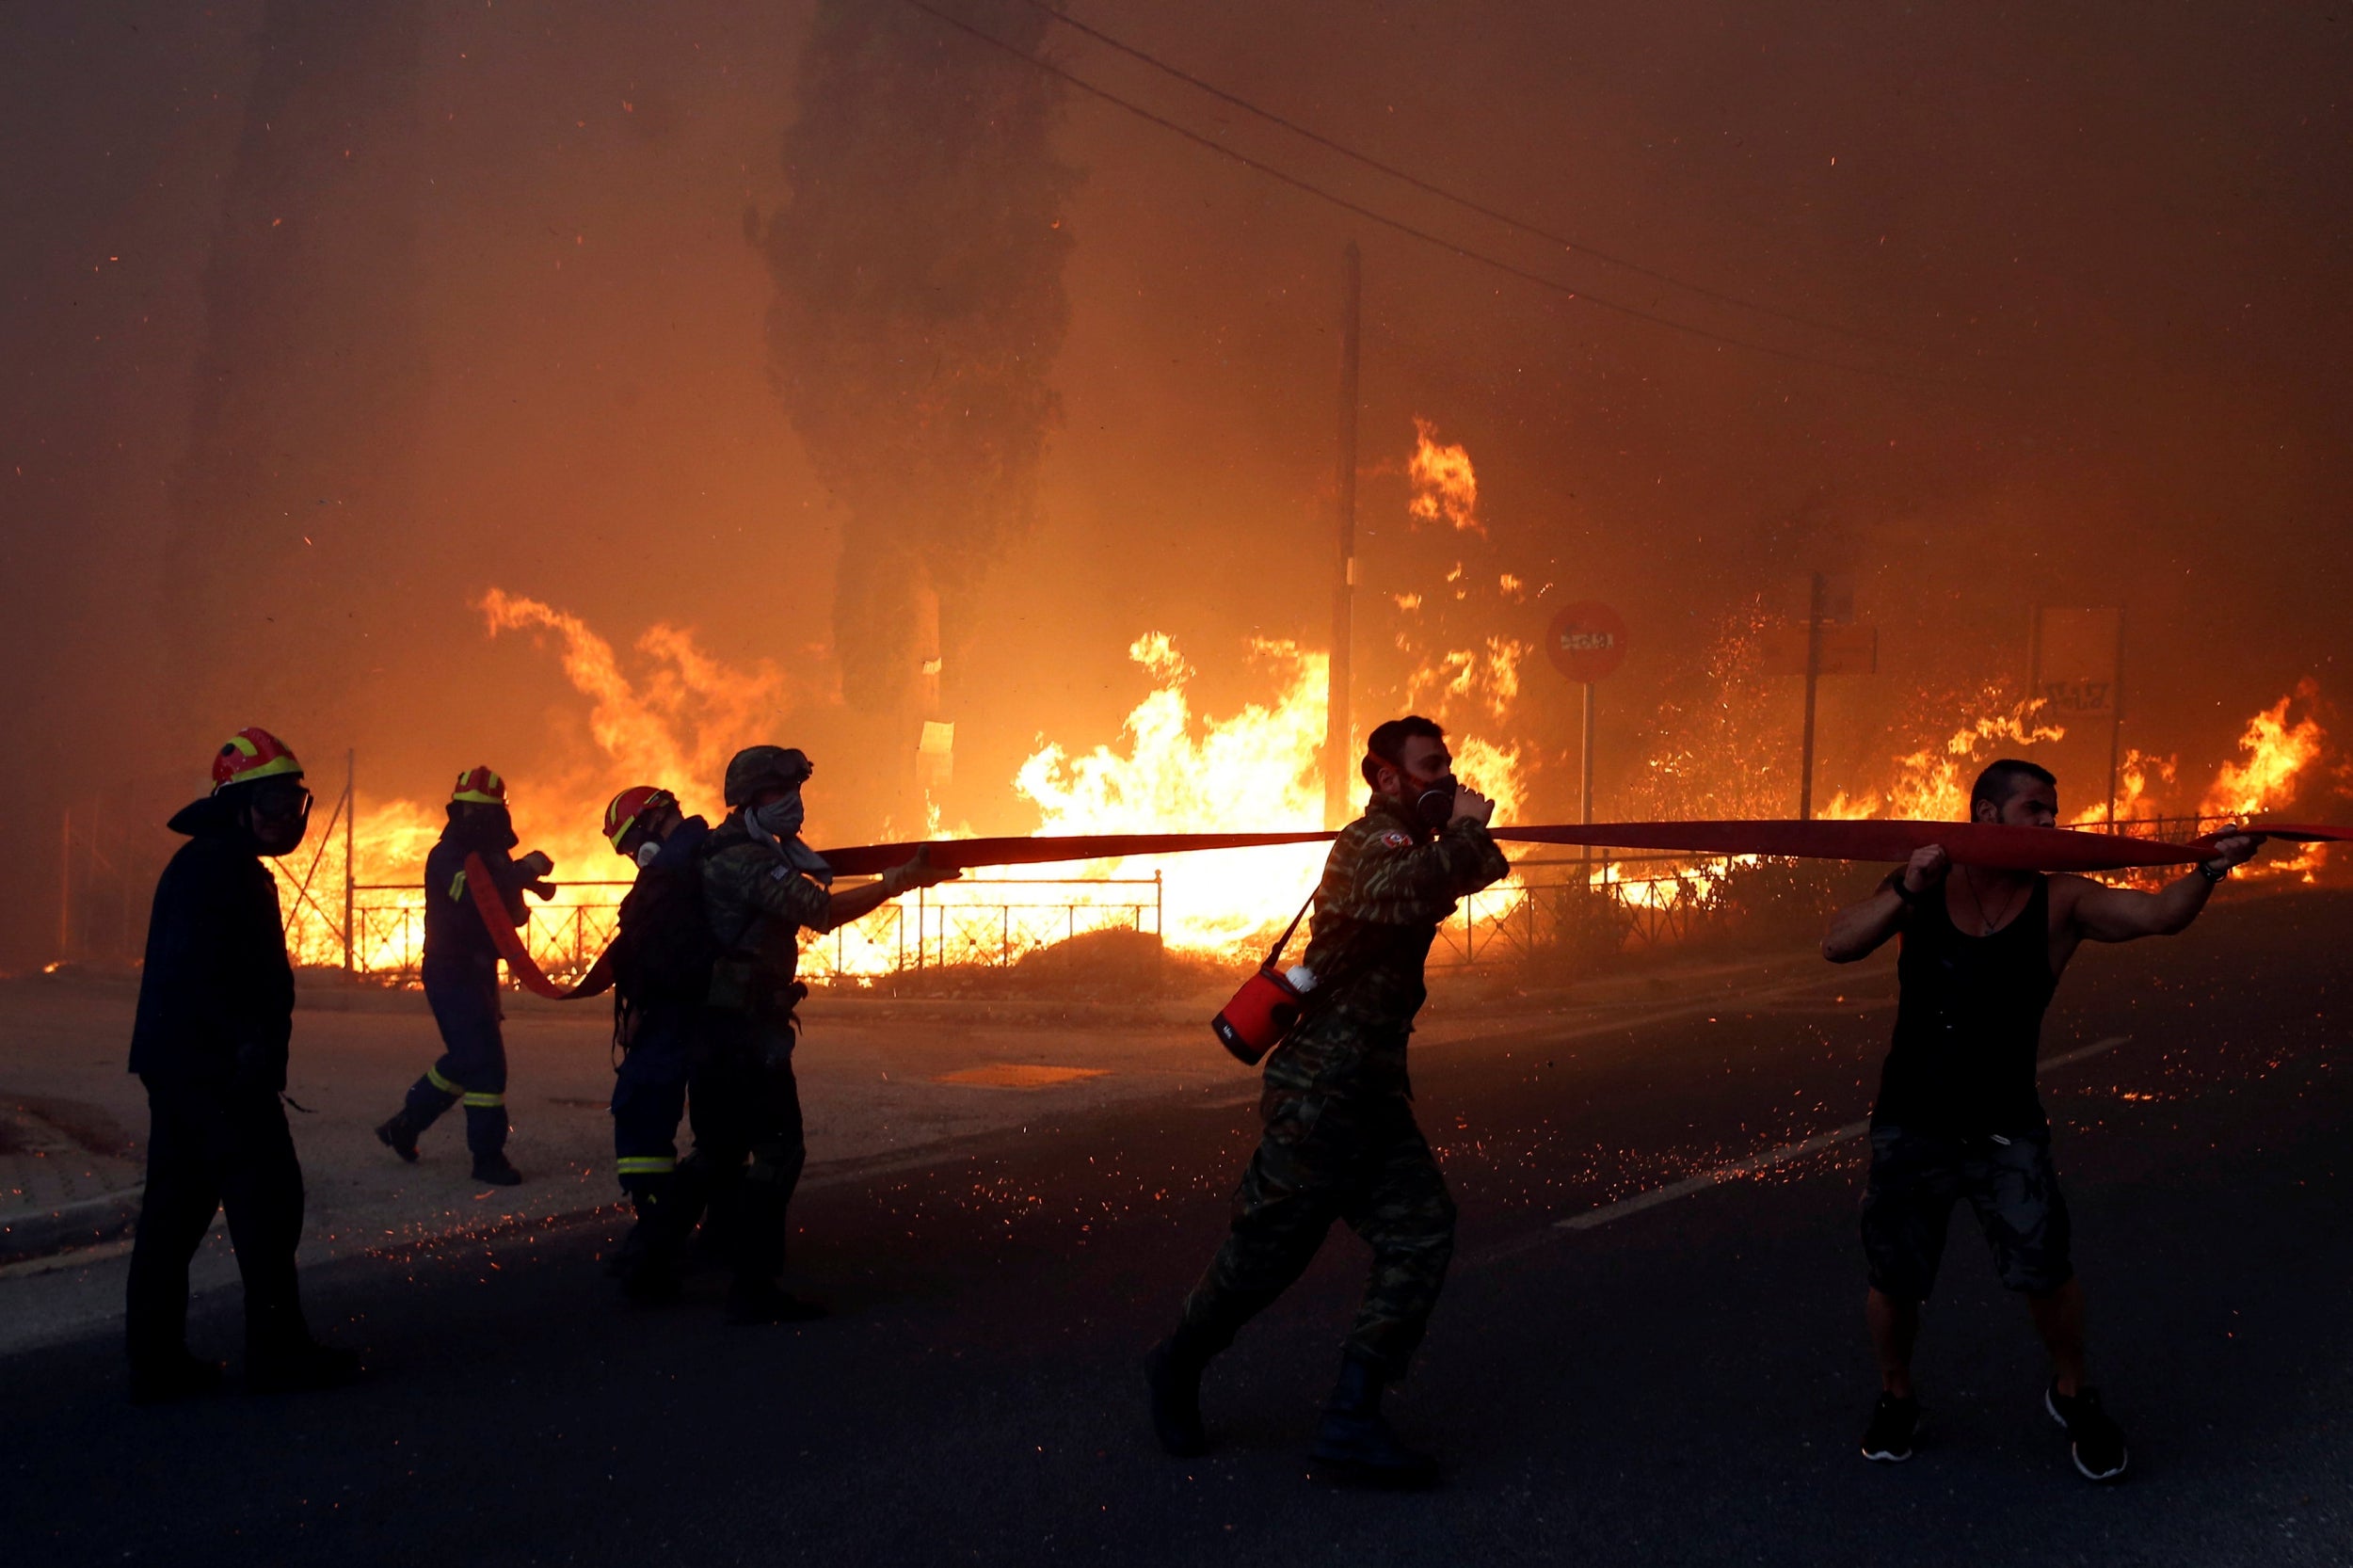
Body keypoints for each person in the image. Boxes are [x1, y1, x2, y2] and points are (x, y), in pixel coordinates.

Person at [1823, 758, 2259, 1481]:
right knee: (1895, 1278)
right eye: (2036, 809)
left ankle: (2073, 1394)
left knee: (2046, 1272)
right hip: (1913, 1120)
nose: (2051, 823)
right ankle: (1896, 1397)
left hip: (2006, 1127)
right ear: (1987, 817)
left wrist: (2210, 870)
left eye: (2054, 811)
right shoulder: (1921, 889)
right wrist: (1907, 885)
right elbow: (1839, 943)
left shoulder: (2061, 902)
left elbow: (2156, 916)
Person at [1144, 714, 1508, 1486]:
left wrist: (1467, 838)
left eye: (1449, 764)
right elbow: (1419, 882)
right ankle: (1175, 1366)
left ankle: (1352, 1417)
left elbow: (1484, 868)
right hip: (1319, 1096)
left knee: (1420, 1231)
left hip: (1370, 1094)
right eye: (1430, 766)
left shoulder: (1420, 846)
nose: (1446, 777)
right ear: (1387, 778)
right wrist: (1468, 833)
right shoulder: (1367, 845)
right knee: (1262, 1262)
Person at [124, 728, 361, 1401]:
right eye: (275, 802)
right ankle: (279, 1354)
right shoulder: (220, 870)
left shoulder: (209, 863)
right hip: (219, 1074)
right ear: (237, 804)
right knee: (268, 1205)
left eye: (294, 801)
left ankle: (156, 1363)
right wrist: (244, 1050)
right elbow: (205, 975)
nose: (287, 817)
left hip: (185, 1069)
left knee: (174, 1215)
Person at [696, 744, 956, 1322]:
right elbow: (820, 911)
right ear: (748, 798)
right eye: (778, 793)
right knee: (779, 1152)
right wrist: (897, 882)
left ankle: (677, 1252)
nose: (793, 803)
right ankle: (753, 1285)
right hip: (744, 1028)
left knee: (720, 1151)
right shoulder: (749, 861)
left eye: (796, 793)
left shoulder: (735, 846)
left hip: (720, 1024)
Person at [374, 766, 555, 1186]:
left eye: (488, 812)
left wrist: (523, 892)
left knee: (466, 1059)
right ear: (458, 811)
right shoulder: (447, 855)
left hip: (479, 970)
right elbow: (475, 891)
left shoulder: (495, 855)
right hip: (450, 969)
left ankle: (404, 1125)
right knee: (486, 1065)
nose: (480, 820)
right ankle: (487, 1159)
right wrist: (524, 871)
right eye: (473, 811)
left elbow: (505, 909)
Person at [598, 783, 715, 1303]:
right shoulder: (689, 860)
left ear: (654, 820)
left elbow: (664, 953)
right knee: (709, 1134)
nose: (631, 857)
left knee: (642, 1120)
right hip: (684, 1013)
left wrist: (643, 1004)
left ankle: (657, 1244)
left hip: (677, 1015)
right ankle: (670, 1238)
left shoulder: (679, 868)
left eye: (630, 844)